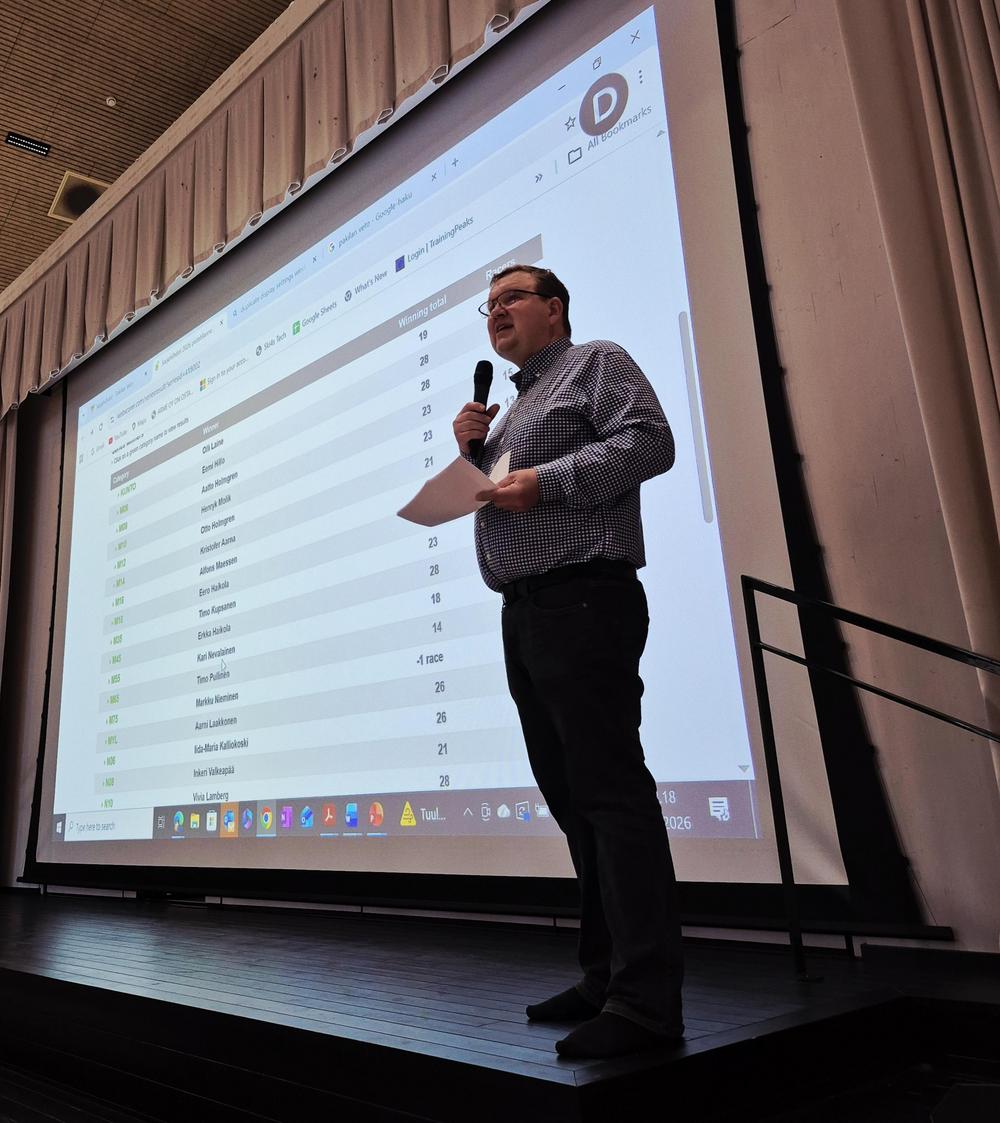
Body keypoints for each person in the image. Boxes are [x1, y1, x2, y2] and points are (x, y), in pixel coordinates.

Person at [451, 264, 684, 1059]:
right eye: (488, 305)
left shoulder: (595, 363)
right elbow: (497, 500)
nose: (496, 311)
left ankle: (646, 1000)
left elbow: (650, 442)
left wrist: (545, 483)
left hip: (585, 598)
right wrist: (471, 457)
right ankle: (603, 975)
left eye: (510, 298)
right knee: (573, 801)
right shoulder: (510, 411)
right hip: (527, 614)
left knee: (610, 794)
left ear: (554, 309)